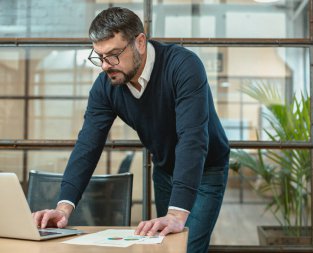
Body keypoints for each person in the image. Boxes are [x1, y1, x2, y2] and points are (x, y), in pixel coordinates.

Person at [32, 7, 230, 253]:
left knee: (186, 247)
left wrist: (177, 213)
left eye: (113, 55)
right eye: (99, 57)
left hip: (205, 169)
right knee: (166, 245)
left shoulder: (184, 66)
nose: (105, 66)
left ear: (140, 42)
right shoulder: (106, 86)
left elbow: (192, 139)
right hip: (165, 167)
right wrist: (63, 209)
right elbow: (88, 145)